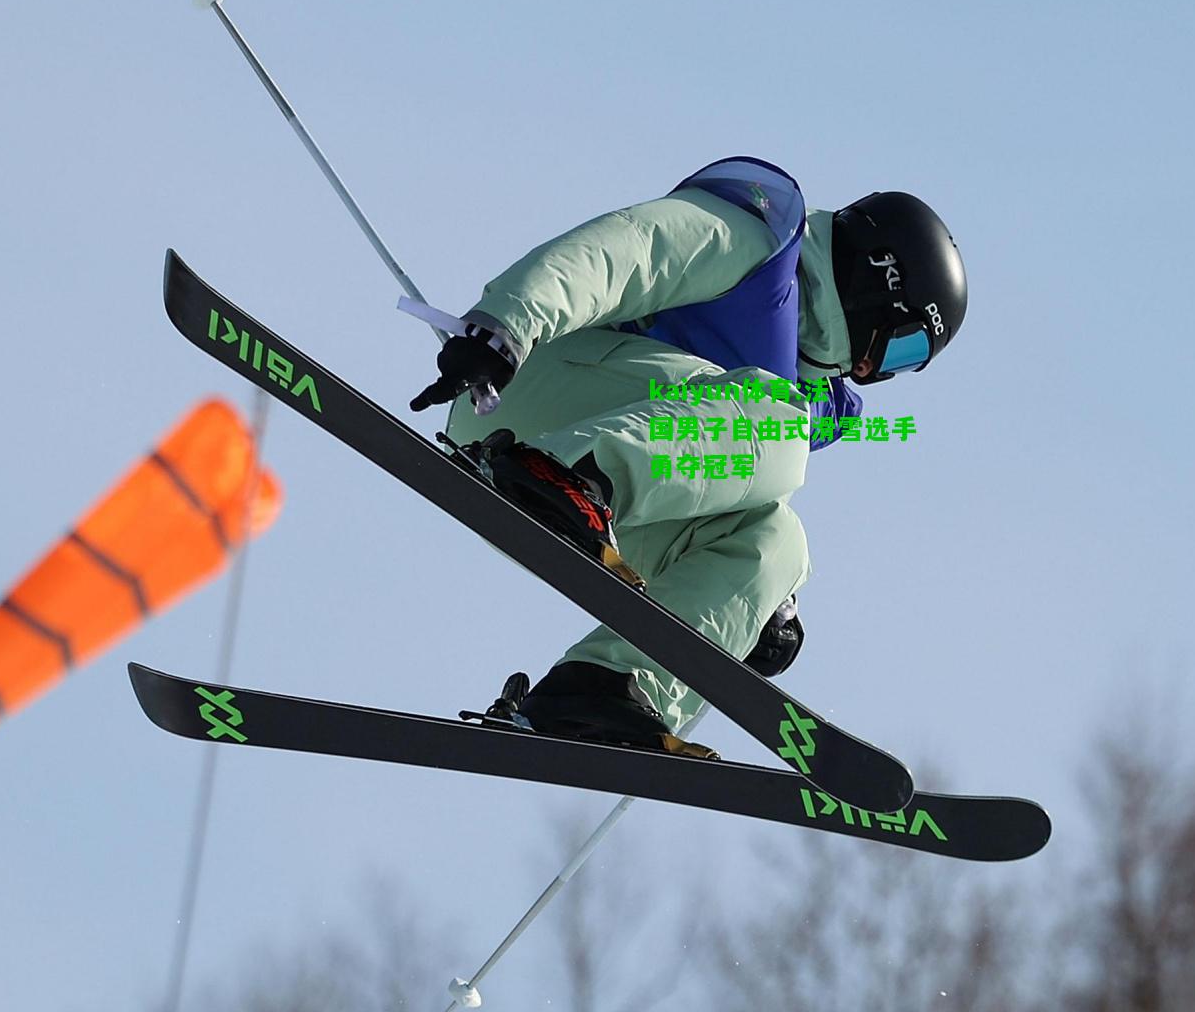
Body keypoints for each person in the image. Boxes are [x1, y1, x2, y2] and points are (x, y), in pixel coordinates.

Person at [411, 158, 965, 757]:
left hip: (604, 486)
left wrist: (751, 605)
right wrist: (506, 325)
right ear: (879, 284)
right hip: (524, 392)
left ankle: (609, 685)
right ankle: (564, 477)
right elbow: (629, 249)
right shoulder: (761, 239)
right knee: (778, 420)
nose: (871, 371)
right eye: (900, 346)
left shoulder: (805, 397)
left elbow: (712, 468)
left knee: (777, 542)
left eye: (905, 365)